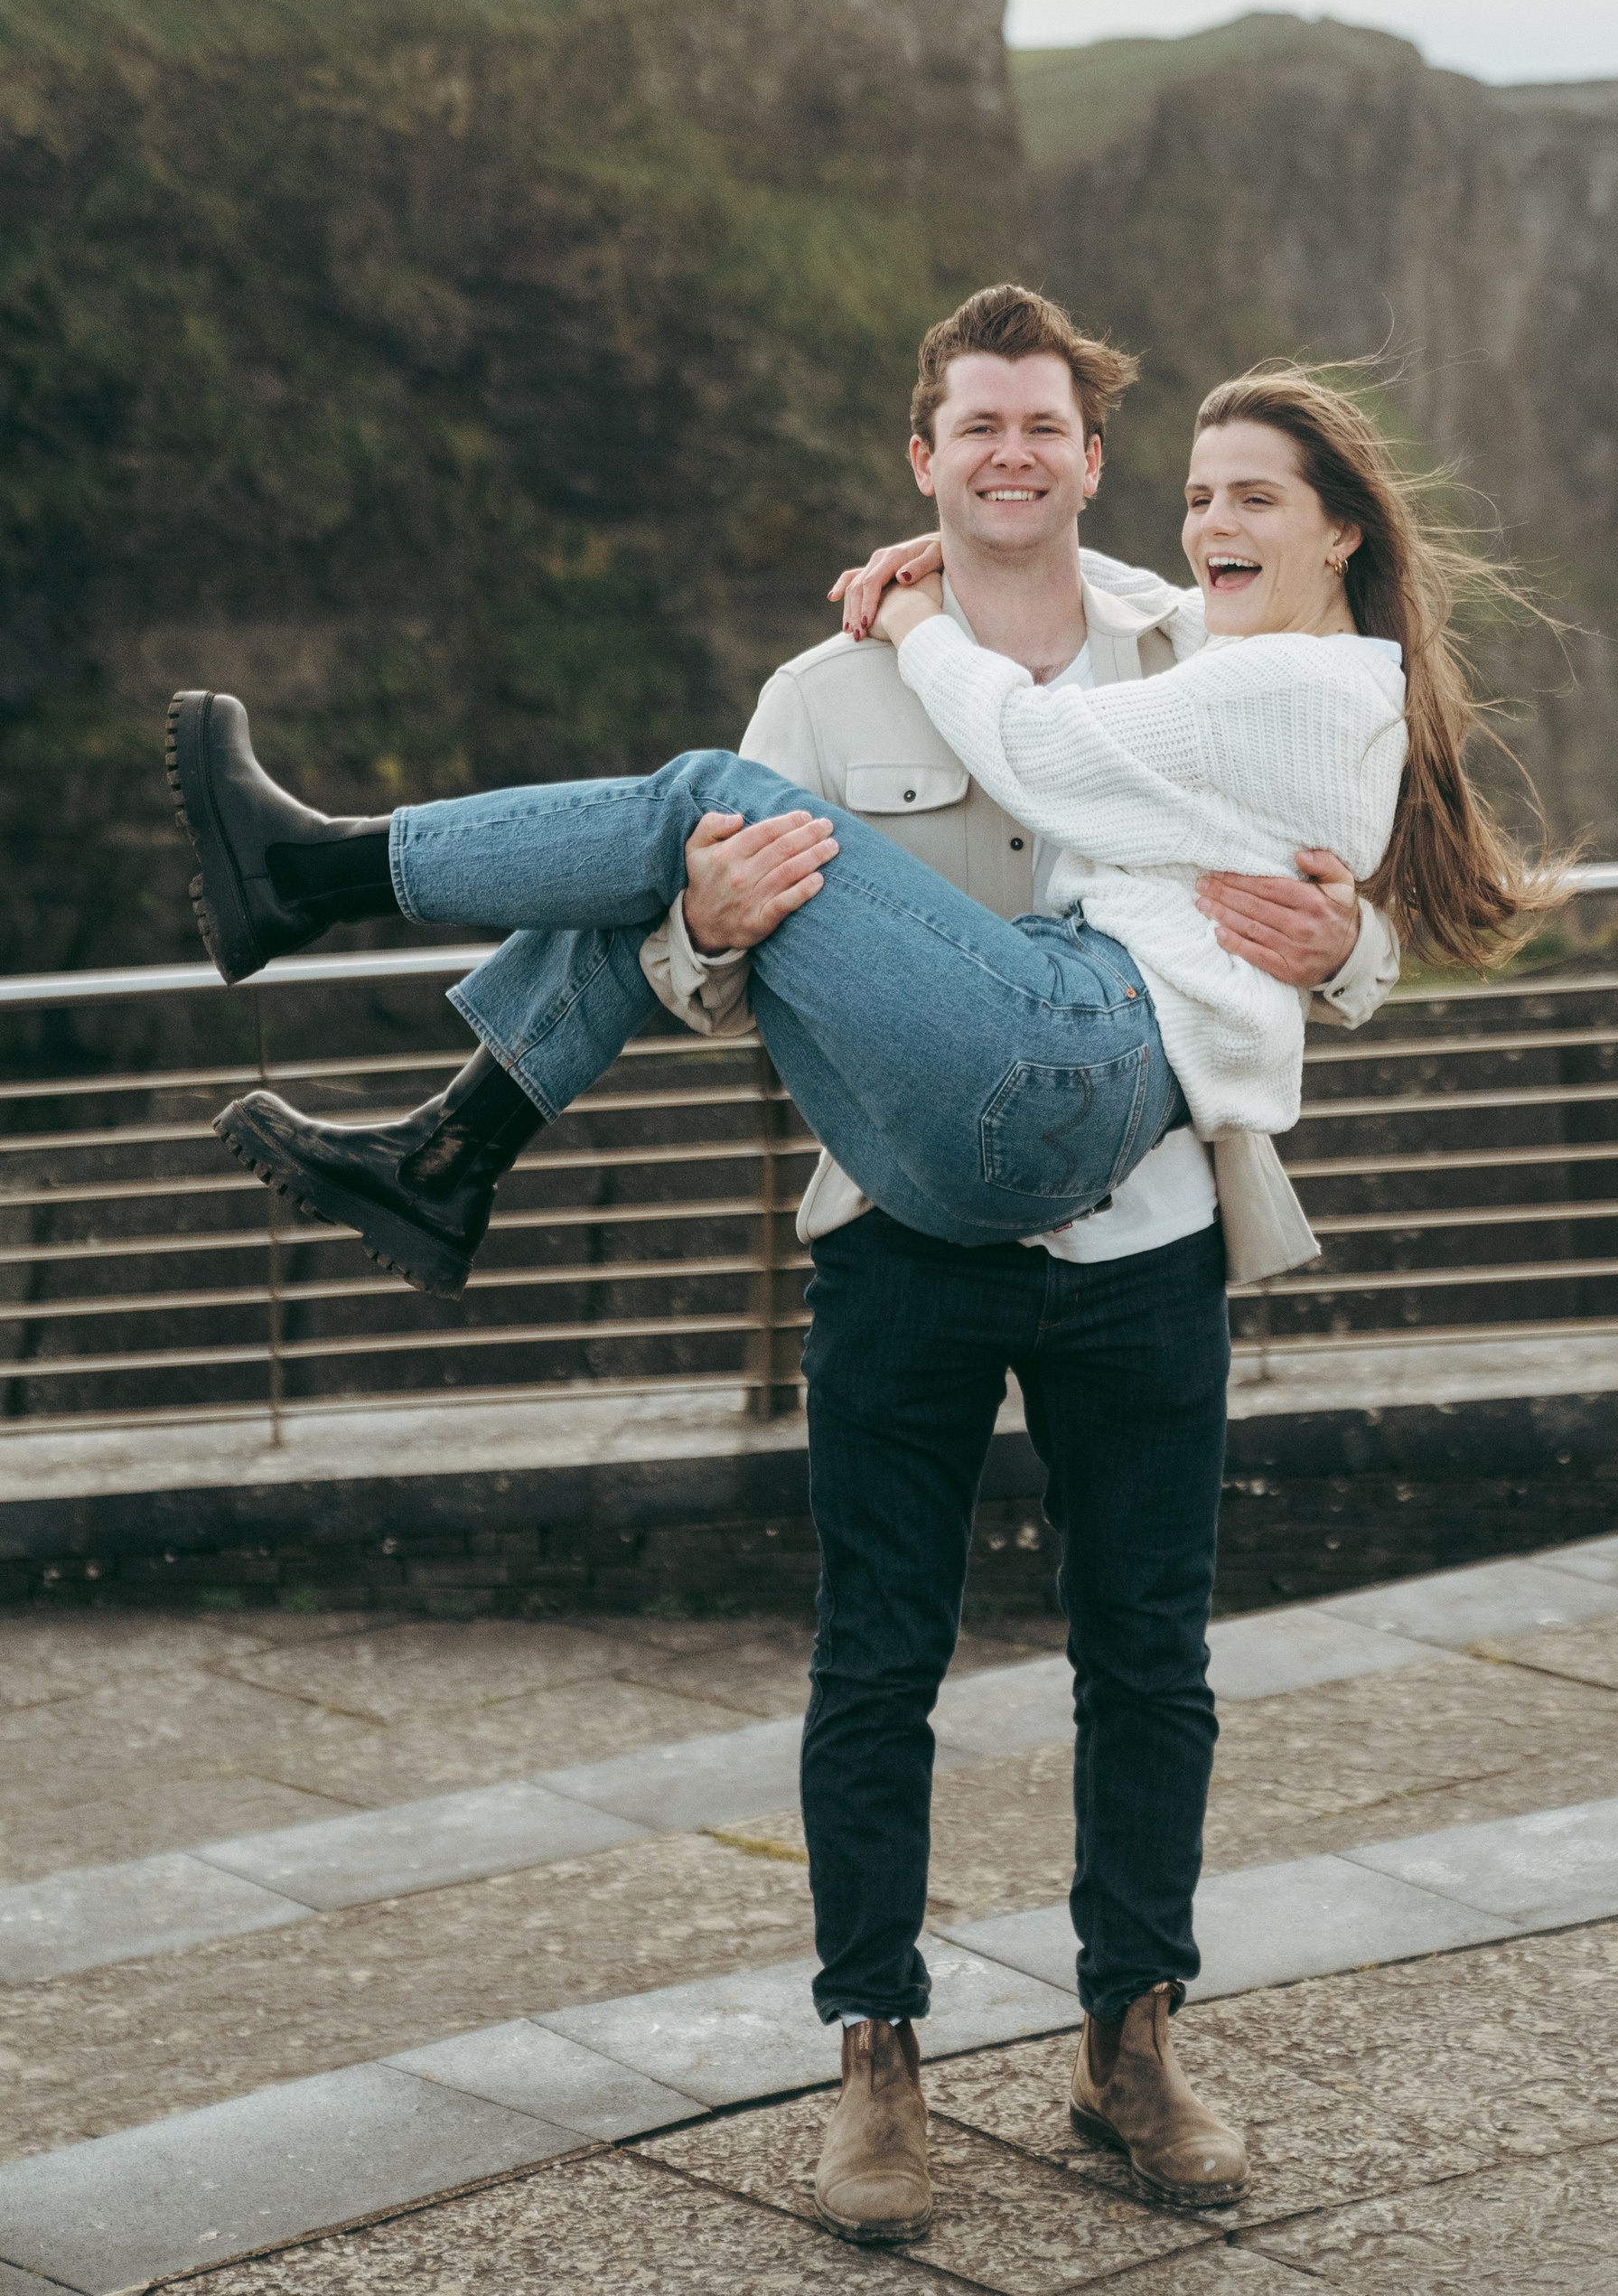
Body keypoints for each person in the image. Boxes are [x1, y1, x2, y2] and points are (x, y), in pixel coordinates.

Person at [164, 288, 1546, 2241]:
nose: (1011, 456)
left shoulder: (1196, 630)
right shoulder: (818, 698)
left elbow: (1335, 900)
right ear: (923, 459)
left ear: (1083, 456)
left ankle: (1128, 2038)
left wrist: (1351, 956)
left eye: (1047, 429)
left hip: (1134, 1219)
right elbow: (699, 969)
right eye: (973, 426)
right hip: (904, 1216)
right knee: (871, 1658)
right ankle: (874, 2062)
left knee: (1144, 1655)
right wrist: (702, 937)